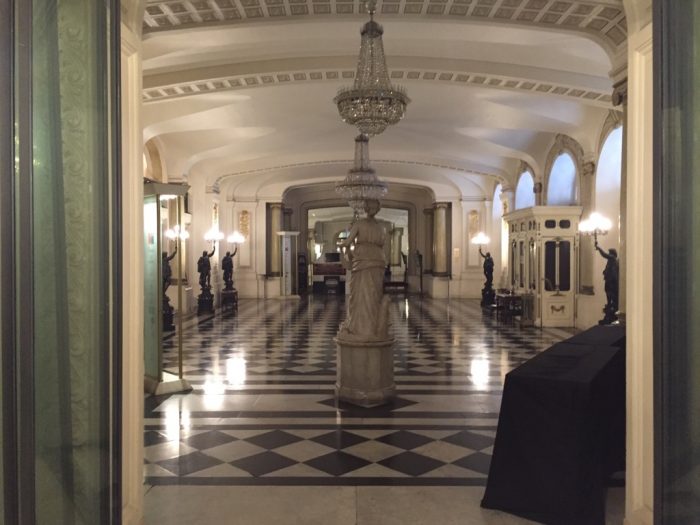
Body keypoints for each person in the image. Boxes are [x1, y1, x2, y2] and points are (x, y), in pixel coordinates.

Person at [338, 199, 390, 342]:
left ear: (366, 209)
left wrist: (342, 247)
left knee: (359, 294)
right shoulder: (381, 227)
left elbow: (347, 242)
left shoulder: (359, 224)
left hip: (362, 259)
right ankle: (372, 327)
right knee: (374, 293)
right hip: (378, 260)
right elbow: (383, 244)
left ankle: (359, 328)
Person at [595, 240, 619, 315]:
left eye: (609, 253)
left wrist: (599, 248)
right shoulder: (611, 260)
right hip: (609, 279)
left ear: (612, 254)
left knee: (610, 292)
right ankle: (609, 304)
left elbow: (604, 255)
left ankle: (610, 304)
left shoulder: (612, 258)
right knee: (607, 291)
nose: (608, 254)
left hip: (611, 280)